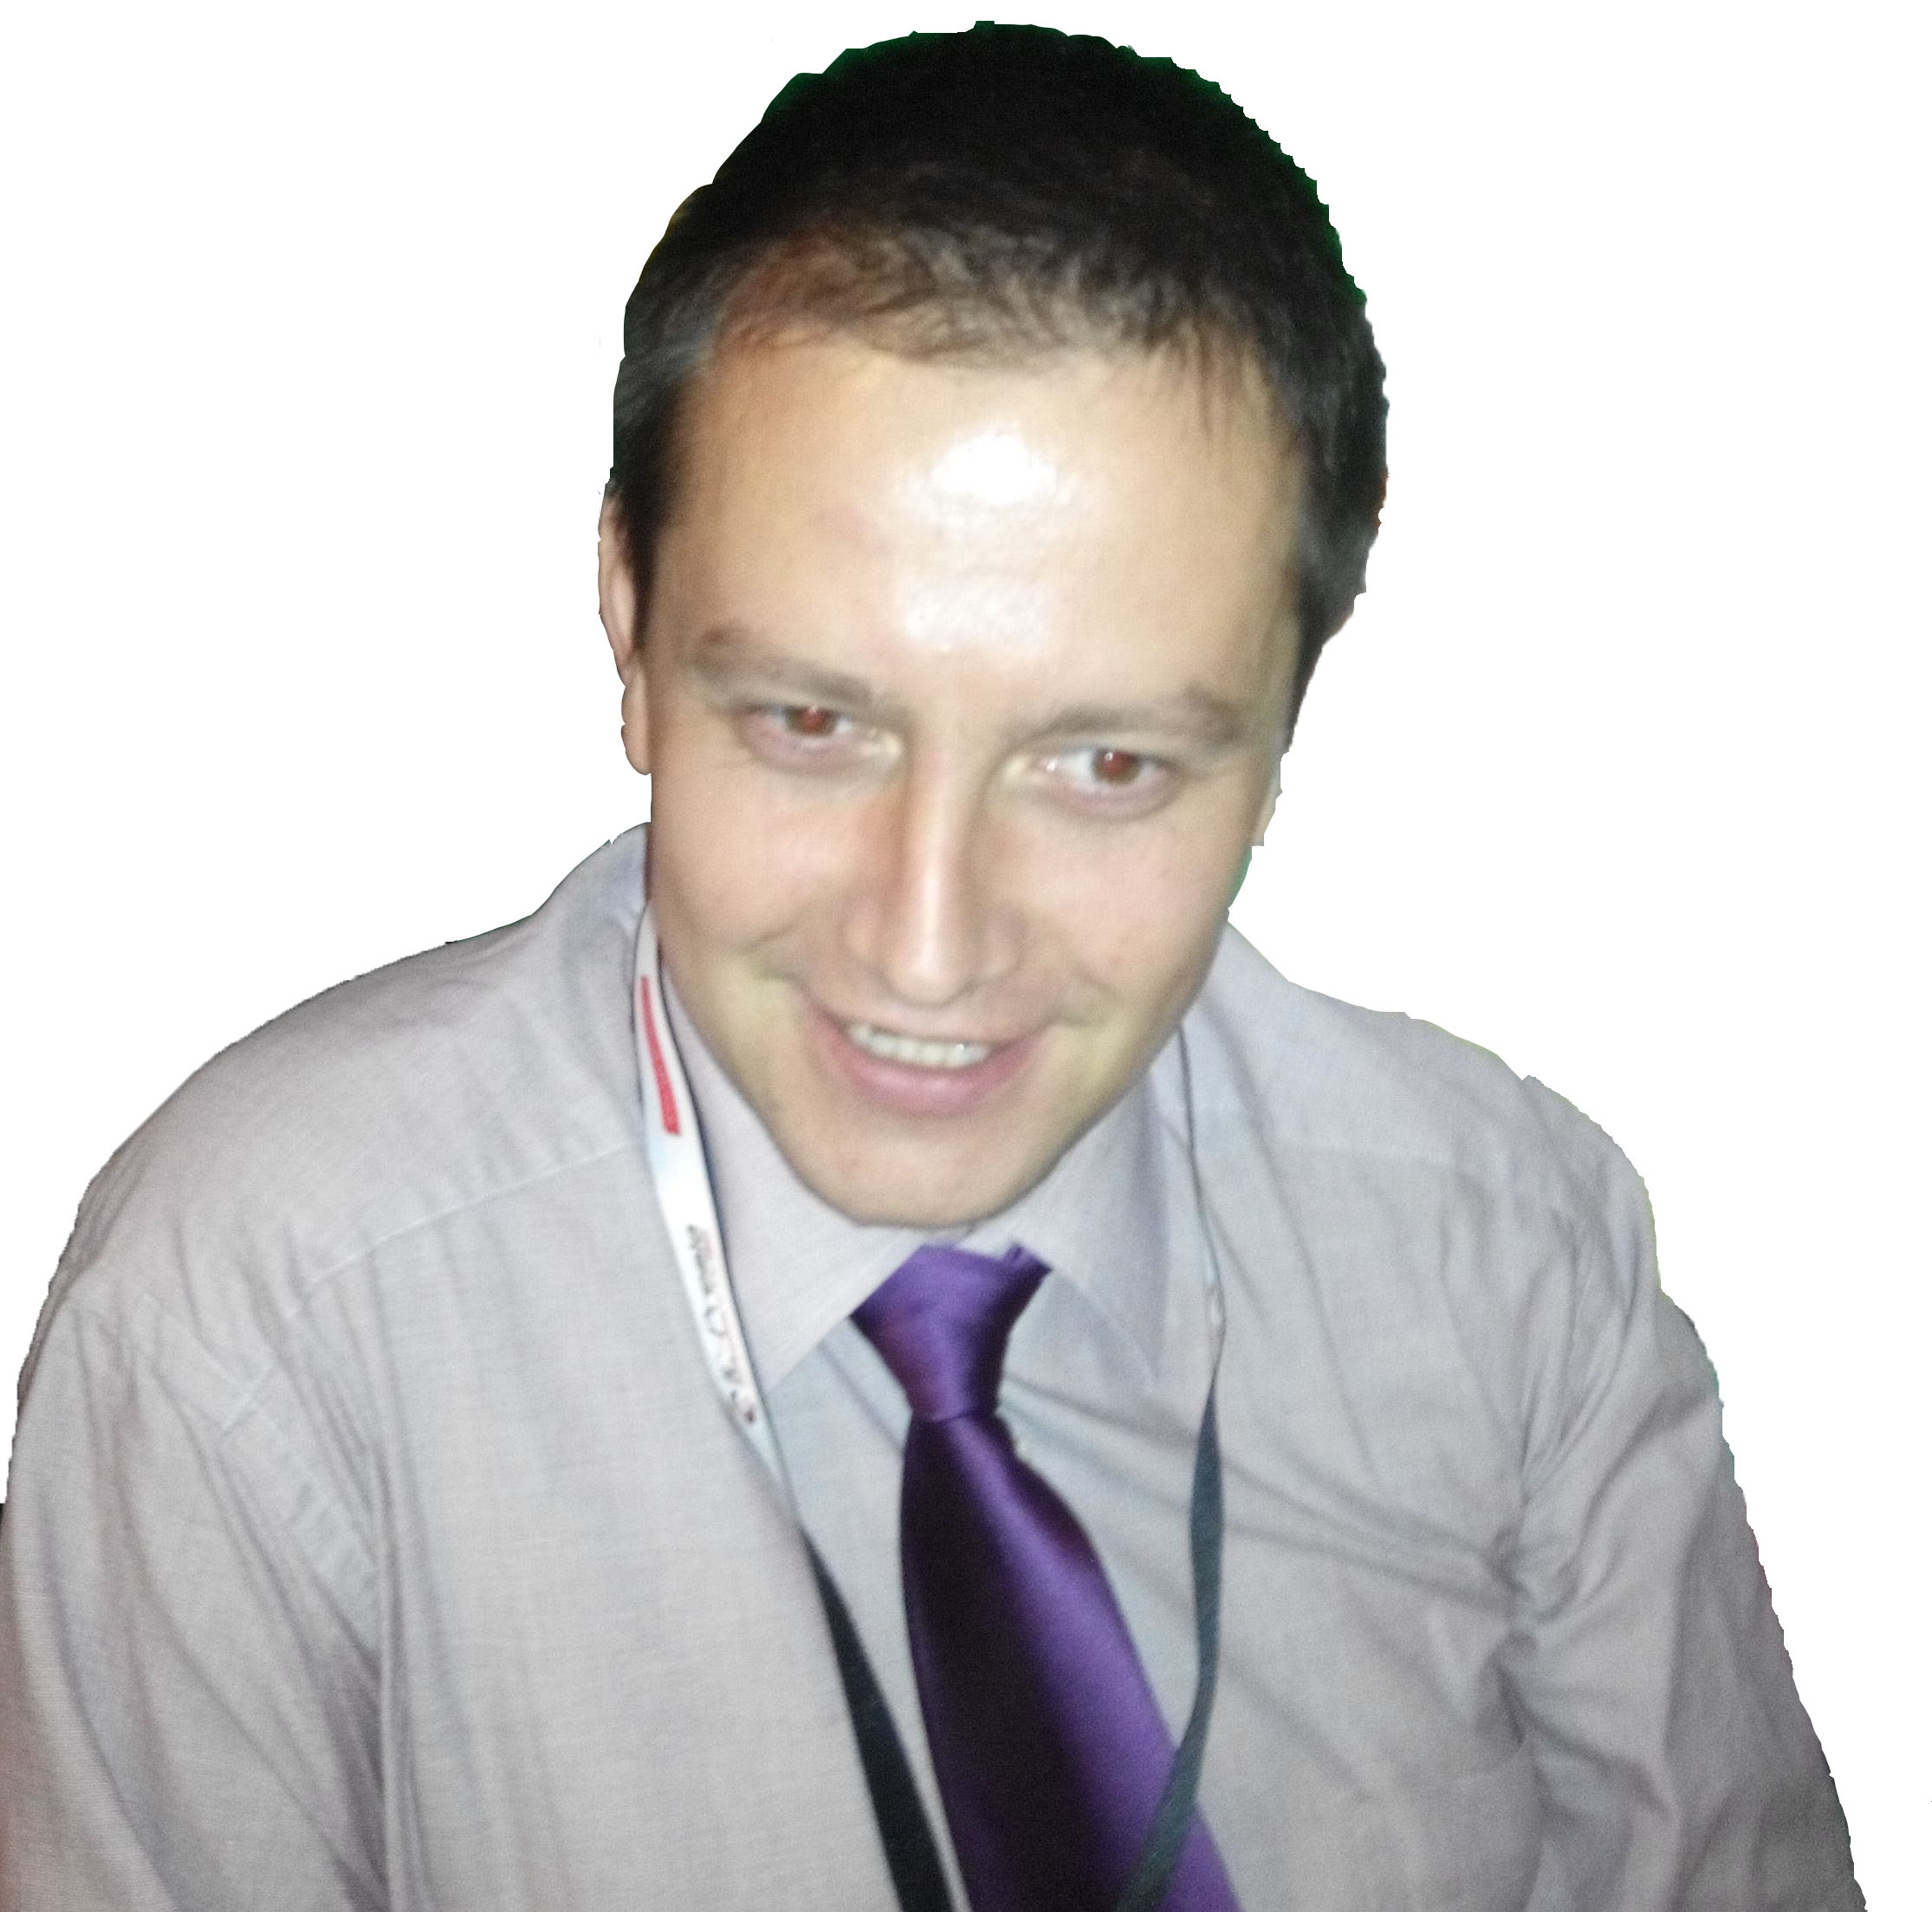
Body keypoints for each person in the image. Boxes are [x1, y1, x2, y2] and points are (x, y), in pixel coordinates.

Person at [0, 23, 1862, 1911]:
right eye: (810, 723)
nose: (926, 942)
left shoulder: (1512, 1263)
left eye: (1106, 765)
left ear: (1288, 721)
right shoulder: (252, 1319)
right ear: (628, 622)